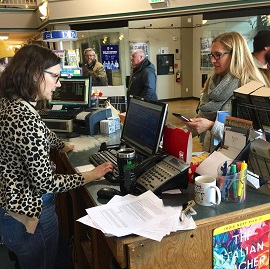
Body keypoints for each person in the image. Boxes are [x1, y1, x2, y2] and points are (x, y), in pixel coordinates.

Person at [0, 44, 114, 269]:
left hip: (13, 208)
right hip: (29, 214)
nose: (59, 83)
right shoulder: (23, 118)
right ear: (35, 75)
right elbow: (45, 182)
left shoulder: (12, 101)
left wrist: (62, 145)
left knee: (59, 257)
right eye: (55, 77)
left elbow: (40, 131)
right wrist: (89, 175)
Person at [178, 32, 267, 153]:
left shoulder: (252, 87)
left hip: (239, 165)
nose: (212, 60)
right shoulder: (214, 81)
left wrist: (210, 126)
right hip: (212, 156)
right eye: (212, 55)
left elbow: (252, 136)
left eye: (218, 55)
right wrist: (176, 134)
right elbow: (204, 115)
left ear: (235, 54)